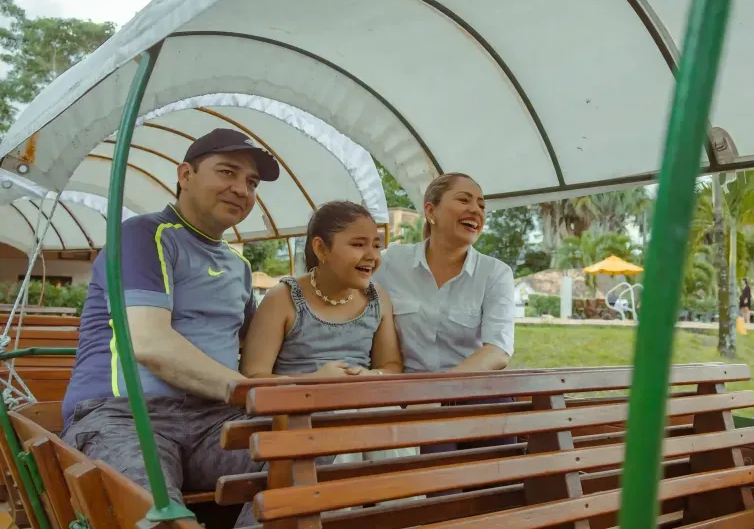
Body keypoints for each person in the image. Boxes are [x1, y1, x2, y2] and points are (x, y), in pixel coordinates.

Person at [60, 127, 280, 506]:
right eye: (227, 172)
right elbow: (150, 345)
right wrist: (249, 392)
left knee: (302, 452)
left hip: (212, 419)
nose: (242, 189)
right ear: (185, 175)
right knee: (152, 507)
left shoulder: (238, 265)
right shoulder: (143, 235)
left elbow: (259, 351)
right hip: (124, 415)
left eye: (252, 182)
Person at [374, 172, 515, 456]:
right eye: (464, 200)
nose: (475, 210)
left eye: (481, 205)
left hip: (476, 395)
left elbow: (498, 350)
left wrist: (439, 392)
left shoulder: (495, 273)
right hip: (410, 396)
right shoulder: (390, 263)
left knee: (501, 488)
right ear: (430, 211)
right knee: (437, 487)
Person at [240, 200, 403, 380]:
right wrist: (312, 381)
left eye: (376, 246)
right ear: (321, 249)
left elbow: (391, 366)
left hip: (361, 405)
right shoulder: (283, 298)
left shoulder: (377, 299)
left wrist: (371, 375)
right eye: (358, 244)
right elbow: (252, 376)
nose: (372, 256)